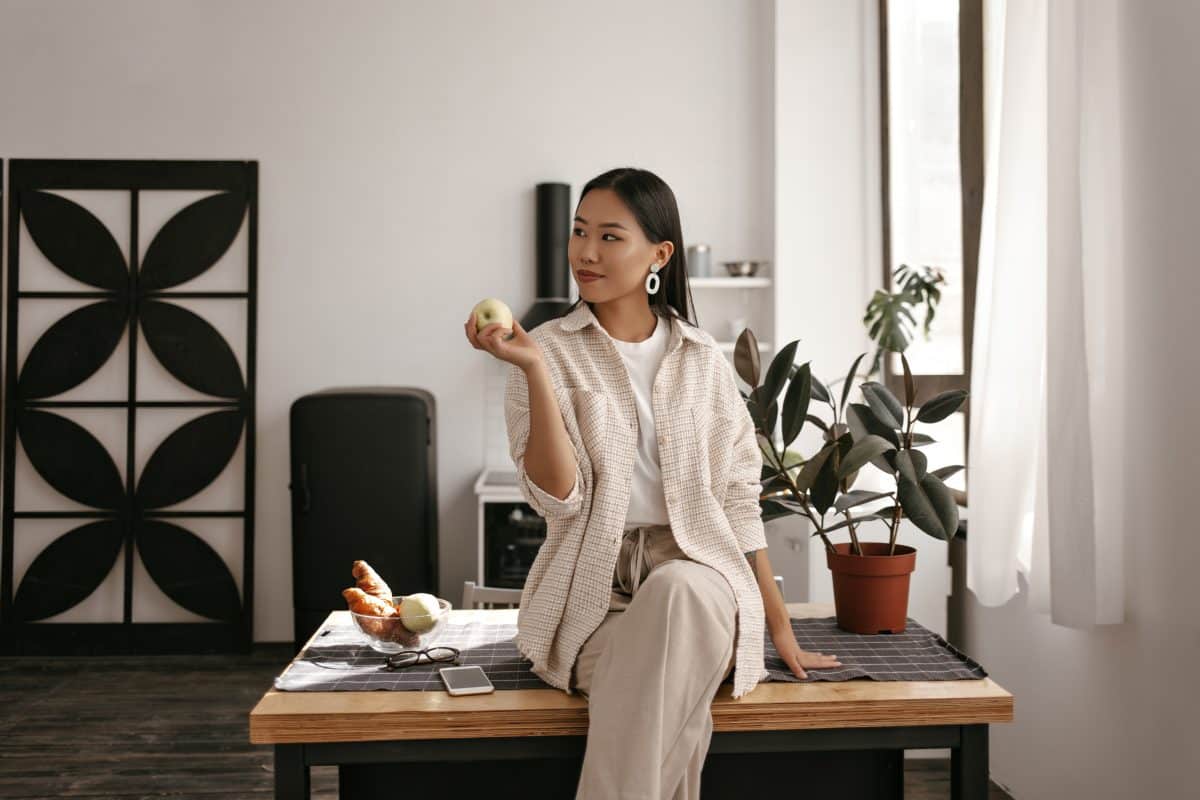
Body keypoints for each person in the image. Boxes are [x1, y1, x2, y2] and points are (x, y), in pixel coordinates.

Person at [464, 167, 840, 799]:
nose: (585, 251)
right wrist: (532, 369)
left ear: (659, 255)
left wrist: (778, 626)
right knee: (656, 697)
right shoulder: (545, 350)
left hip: (697, 573)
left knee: (677, 591)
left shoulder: (703, 360)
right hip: (594, 590)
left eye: (610, 236)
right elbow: (560, 500)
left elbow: (738, 501)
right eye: (579, 232)